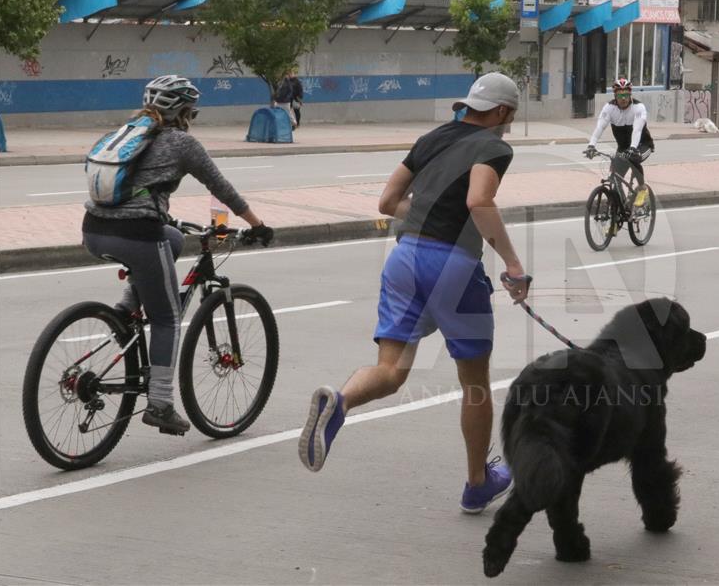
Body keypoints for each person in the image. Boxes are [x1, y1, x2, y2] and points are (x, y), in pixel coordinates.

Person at [298, 72, 530, 514]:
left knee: (390, 370)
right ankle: (478, 483)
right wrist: (514, 267)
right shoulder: (494, 146)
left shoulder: (432, 138)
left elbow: (388, 203)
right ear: (501, 112)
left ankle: (340, 401)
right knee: (475, 384)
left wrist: (427, 210)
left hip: (404, 257)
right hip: (454, 268)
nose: (509, 124)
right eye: (510, 116)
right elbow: (479, 202)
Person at [82, 75, 273, 435]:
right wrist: (257, 224)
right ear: (183, 111)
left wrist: (156, 210)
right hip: (136, 234)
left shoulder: (127, 133)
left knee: (171, 238)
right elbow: (221, 187)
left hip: (92, 229)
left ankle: (126, 307)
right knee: (168, 318)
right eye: (191, 111)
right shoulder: (182, 143)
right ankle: (161, 404)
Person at [583, 77, 654, 203]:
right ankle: (619, 212)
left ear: (630, 94)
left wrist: (633, 148)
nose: (623, 98)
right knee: (614, 178)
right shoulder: (609, 108)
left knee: (633, 158)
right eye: (620, 95)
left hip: (643, 145)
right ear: (615, 95)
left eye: (626, 94)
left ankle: (642, 189)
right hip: (623, 148)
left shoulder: (638, 107)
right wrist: (591, 146)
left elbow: (637, 130)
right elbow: (599, 128)